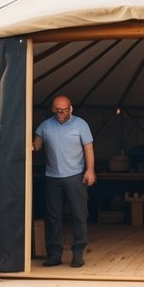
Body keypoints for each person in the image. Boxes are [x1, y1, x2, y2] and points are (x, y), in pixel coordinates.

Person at [32, 95, 96, 267]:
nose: (61, 113)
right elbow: (37, 144)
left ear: (71, 109)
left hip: (76, 176)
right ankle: (54, 255)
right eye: (57, 110)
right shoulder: (45, 126)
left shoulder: (81, 125)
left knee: (79, 215)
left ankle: (77, 254)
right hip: (52, 177)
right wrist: (31, 146)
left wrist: (90, 170)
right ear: (53, 109)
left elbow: (88, 148)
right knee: (53, 217)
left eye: (64, 110)